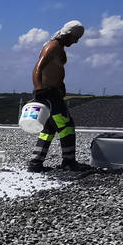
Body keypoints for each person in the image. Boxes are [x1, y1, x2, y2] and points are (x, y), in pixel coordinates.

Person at [26, 20, 91, 173]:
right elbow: (38, 68)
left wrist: (60, 86)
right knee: (67, 126)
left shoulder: (58, 47)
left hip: (51, 92)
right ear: (68, 35)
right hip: (48, 94)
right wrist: (39, 90)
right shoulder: (52, 47)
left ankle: (36, 162)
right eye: (75, 38)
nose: (76, 41)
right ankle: (68, 162)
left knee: (49, 128)